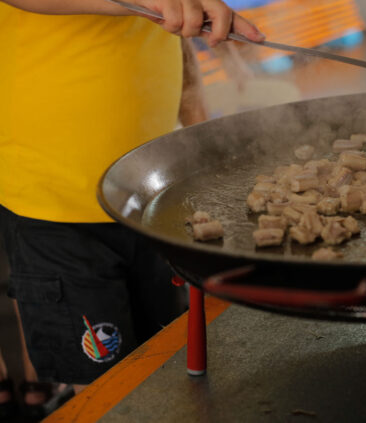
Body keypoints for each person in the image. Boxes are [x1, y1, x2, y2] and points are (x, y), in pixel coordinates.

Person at [0, 0, 264, 405]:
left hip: (150, 194)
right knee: (108, 396)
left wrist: (203, 137)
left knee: (162, 369)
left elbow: (172, 33)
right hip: (58, 207)